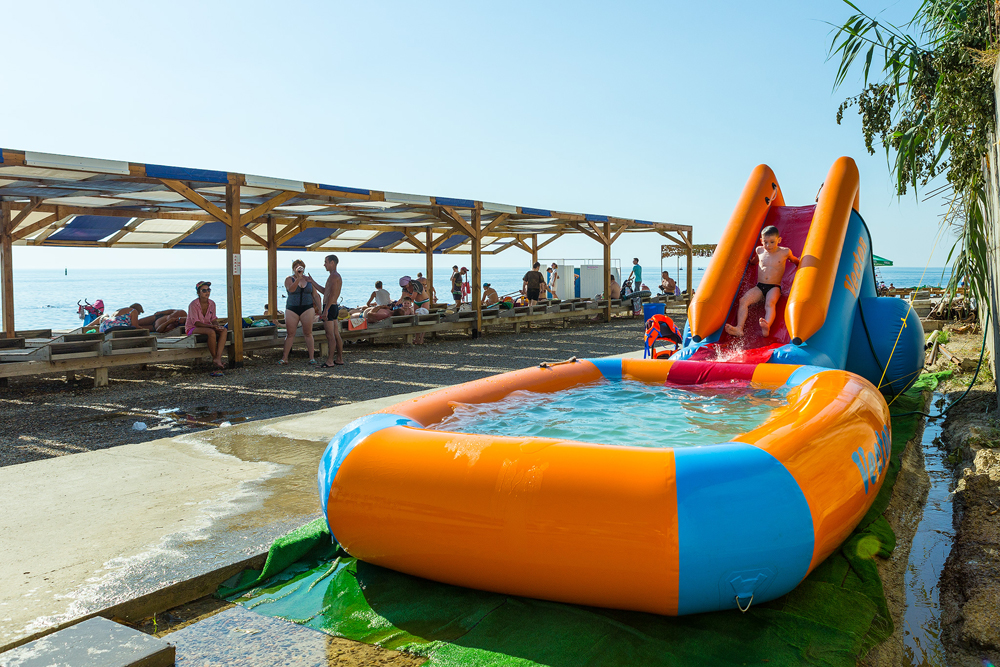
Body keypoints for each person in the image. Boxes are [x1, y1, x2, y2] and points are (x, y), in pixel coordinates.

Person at [725, 226, 800, 338]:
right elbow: (755, 261)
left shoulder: (785, 252)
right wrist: (750, 262)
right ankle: (739, 328)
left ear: (779, 240)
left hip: (774, 287)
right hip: (759, 287)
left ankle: (767, 325)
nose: (768, 245)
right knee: (743, 301)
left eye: (772, 242)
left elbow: (794, 260)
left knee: (770, 303)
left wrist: (801, 262)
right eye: (765, 242)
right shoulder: (759, 250)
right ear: (761, 240)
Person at [279, 259, 322, 365]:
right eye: (296, 267)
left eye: (301, 267)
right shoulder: (289, 279)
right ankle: (285, 358)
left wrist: (320, 309)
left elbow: (315, 295)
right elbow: (291, 290)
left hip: (307, 308)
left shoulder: (308, 280)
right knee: (290, 334)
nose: (298, 269)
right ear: (293, 269)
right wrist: (298, 278)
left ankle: (311, 358)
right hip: (292, 308)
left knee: (308, 333)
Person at [186, 281, 227, 371]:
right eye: (204, 290)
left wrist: (217, 326)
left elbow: (213, 319)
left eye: (208, 290)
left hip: (207, 327)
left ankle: (218, 357)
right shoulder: (193, 305)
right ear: (198, 293)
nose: (207, 292)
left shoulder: (212, 303)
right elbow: (196, 323)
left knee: (224, 330)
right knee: (211, 332)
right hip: (193, 328)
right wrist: (212, 327)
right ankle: (215, 358)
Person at [313, 254, 345, 367]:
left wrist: (325, 310)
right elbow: (325, 291)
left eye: (326, 262)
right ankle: (339, 359)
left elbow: (332, 295)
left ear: (332, 263)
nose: (324, 264)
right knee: (336, 334)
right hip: (333, 307)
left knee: (330, 335)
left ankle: (330, 361)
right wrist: (312, 281)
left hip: (330, 307)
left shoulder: (334, 276)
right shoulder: (334, 276)